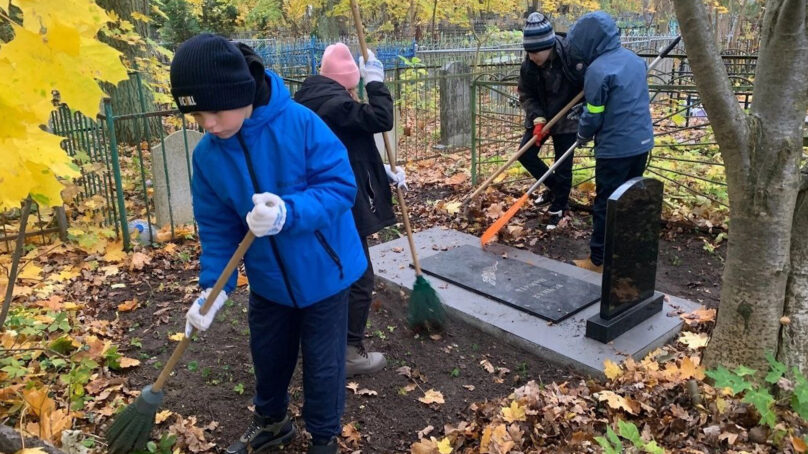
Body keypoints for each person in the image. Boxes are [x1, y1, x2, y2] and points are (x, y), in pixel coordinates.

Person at [170, 34, 367, 454]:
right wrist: (214, 289)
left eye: (214, 111)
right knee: (269, 354)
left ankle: (325, 438)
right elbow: (218, 228)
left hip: (324, 273)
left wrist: (287, 213)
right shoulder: (208, 157)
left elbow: (339, 187)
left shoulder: (300, 124)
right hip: (268, 281)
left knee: (323, 364)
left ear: (241, 94)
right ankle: (272, 422)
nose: (207, 124)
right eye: (197, 115)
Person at [294, 43, 406, 377]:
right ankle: (349, 351)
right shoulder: (335, 103)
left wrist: (380, 170)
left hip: (319, 199)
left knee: (332, 271)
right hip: (340, 203)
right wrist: (376, 84)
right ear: (348, 82)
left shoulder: (309, 100)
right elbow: (380, 118)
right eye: (356, 85)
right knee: (359, 276)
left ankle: (323, 342)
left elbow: (348, 145)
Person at [566, 12, 654, 272]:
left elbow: (594, 115)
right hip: (642, 143)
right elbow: (620, 99)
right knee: (628, 202)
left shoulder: (597, 70)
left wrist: (582, 134)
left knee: (606, 203)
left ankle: (599, 260)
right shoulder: (635, 61)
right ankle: (624, 255)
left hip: (615, 148)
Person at [517, 12, 585, 230]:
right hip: (543, 116)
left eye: (537, 52)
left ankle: (560, 206)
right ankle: (556, 189)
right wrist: (537, 118)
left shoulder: (571, 55)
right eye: (529, 52)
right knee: (525, 154)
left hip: (569, 115)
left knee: (562, 164)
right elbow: (526, 93)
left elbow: (591, 82)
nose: (533, 57)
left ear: (550, 45)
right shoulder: (529, 65)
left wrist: (584, 103)